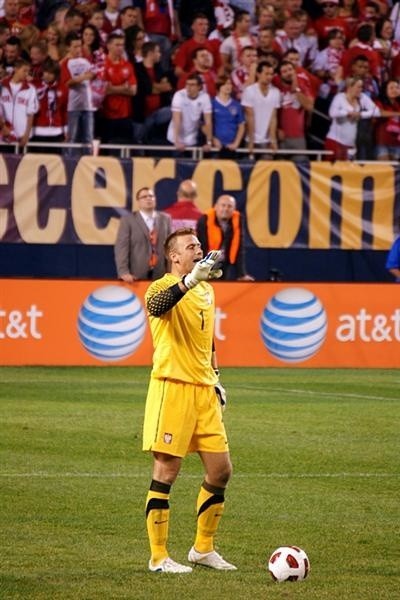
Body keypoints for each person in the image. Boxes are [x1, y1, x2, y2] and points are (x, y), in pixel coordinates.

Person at [143, 227, 236, 573]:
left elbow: (207, 338)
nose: (198, 250)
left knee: (221, 470)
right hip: (173, 387)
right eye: (190, 246)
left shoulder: (208, 291)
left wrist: (217, 378)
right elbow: (157, 307)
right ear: (175, 257)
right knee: (167, 470)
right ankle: (159, 558)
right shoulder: (161, 287)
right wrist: (188, 282)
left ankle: (203, 549)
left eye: (199, 244)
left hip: (204, 391)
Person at [114, 186, 172, 282]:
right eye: (144, 197)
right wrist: (123, 272)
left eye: (151, 196)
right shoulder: (128, 220)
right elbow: (121, 248)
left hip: (160, 274)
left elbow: (170, 247)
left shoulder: (165, 219)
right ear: (138, 201)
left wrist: (172, 272)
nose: (148, 198)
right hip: (136, 275)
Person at [196, 194, 254, 281]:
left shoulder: (238, 220)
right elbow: (200, 246)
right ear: (215, 207)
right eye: (223, 205)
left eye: (229, 206)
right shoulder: (204, 220)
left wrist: (242, 274)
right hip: (206, 263)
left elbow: (239, 248)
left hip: (225, 264)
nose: (226, 209)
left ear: (234, 209)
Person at [241, 61, 280, 159]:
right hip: (251, 139)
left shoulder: (276, 92)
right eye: (266, 74)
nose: (269, 77)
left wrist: (273, 140)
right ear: (258, 74)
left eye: (271, 74)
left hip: (266, 141)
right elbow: (249, 116)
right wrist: (251, 140)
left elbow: (273, 117)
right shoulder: (249, 91)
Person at [166, 72, 213, 153]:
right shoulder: (179, 95)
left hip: (192, 138)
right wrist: (177, 141)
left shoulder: (205, 97)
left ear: (199, 87)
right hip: (175, 137)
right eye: (187, 84)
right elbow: (177, 118)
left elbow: (208, 122)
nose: (188, 87)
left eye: (192, 85)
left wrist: (209, 142)